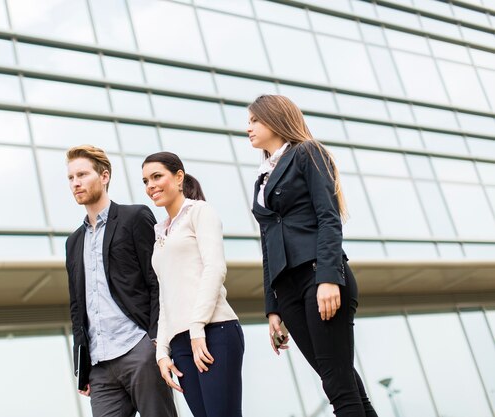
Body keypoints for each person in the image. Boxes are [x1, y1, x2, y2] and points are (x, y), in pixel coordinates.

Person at [247, 95, 378, 417]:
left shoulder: (307, 153)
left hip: (318, 276)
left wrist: (329, 278)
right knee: (338, 379)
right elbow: (268, 245)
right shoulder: (262, 176)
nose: (247, 128)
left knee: (337, 385)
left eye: (253, 121)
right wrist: (272, 308)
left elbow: (329, 217)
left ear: (275, 120)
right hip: (287, 288)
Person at [64, 145, 177, 417]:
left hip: (139, 349)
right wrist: (82, 366)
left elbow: (157, 280)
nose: (76, 183)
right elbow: (77, 307)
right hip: (100, 366)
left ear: (104, 176)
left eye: (82, 174)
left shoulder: (134, 217)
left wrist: (156, 341)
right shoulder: (73, 242)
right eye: (70, 178)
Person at [141, 152, 244, 417]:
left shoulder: (200, 212)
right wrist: (162, 351)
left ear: (178, 177)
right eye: (145, 181)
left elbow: (215, 268)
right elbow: (166, 295)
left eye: (156, 176)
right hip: (180, 343)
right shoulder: (160, 232)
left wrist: (197, 326)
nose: (150, 185)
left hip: (214, 331)